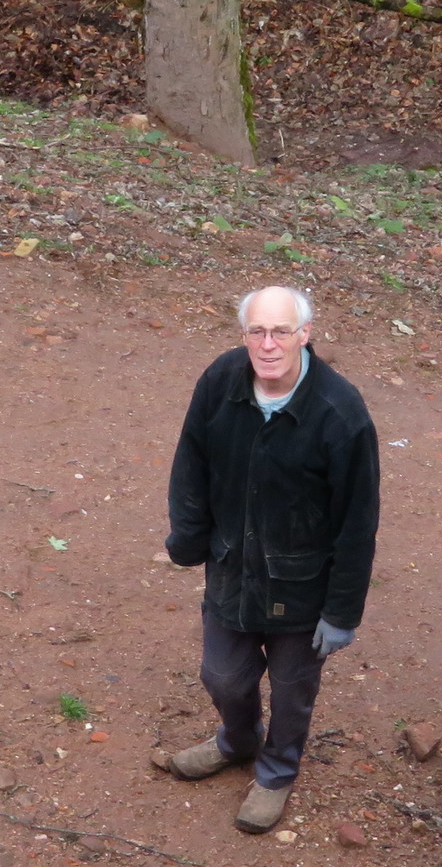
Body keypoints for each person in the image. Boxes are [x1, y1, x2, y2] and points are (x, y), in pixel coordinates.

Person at [155, 285, 381, 833]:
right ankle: (238, 740)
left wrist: (341, 612)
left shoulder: (340, 413)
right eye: (257, 331)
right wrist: (188, 537)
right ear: (244, 334)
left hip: (303, 587)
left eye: (281, 331)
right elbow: (191, 460)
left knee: (292, 690)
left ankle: (277, 771)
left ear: (305, 334)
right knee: (223, 676)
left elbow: (358, 523)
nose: (268, 344)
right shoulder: (221, 380)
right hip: (231, 568)